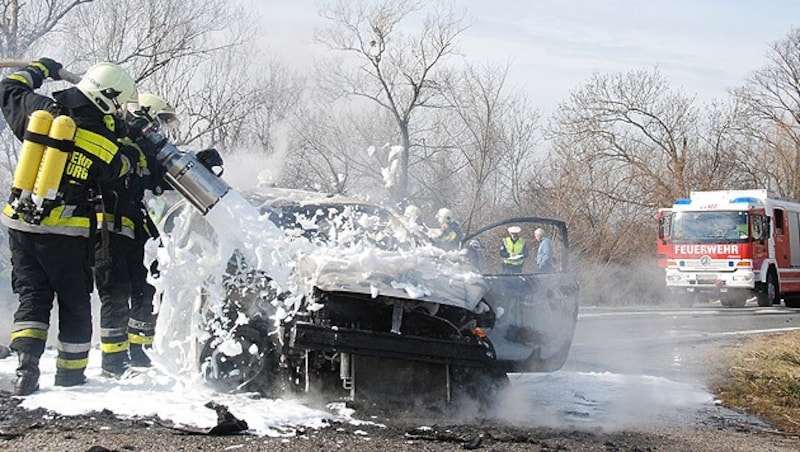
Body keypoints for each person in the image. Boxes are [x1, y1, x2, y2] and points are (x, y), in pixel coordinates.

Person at [1, 59, 139, 395]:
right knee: (74, 302)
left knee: (33, 295)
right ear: (108, 98)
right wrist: (128, 134)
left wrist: (40, 69)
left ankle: (26, 369)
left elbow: (8, 88)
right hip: (67, 233)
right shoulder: (101, 138)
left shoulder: (42, 111)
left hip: (20, 223)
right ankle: (70, 376)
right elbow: (122, 167)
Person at [93, 93, 179, 377]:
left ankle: (139, 354)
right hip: (109, 231)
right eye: (157, 123)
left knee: (145, 291)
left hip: (137, 235)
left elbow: (164, 178)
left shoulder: (144, 152)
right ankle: (113, 361)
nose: (159, 131)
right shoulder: (118, 142)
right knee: (116, 294)